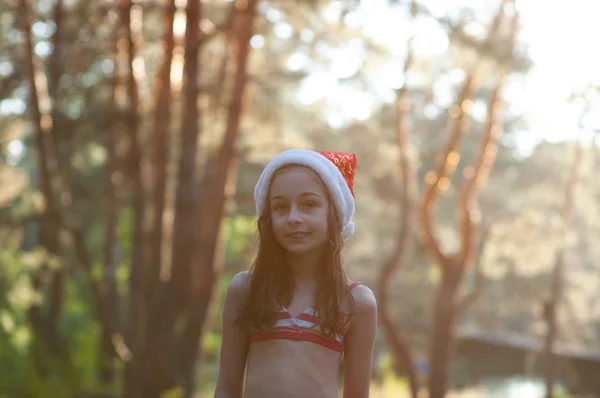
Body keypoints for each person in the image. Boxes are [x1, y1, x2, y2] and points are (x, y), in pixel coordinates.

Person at [214, 148, 377, 398]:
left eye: (309, 204)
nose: (293, 218)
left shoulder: (356, 301)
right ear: (268, 217)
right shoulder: (246, 289)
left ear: (333, 213)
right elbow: (226, 388)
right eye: (280, 207)